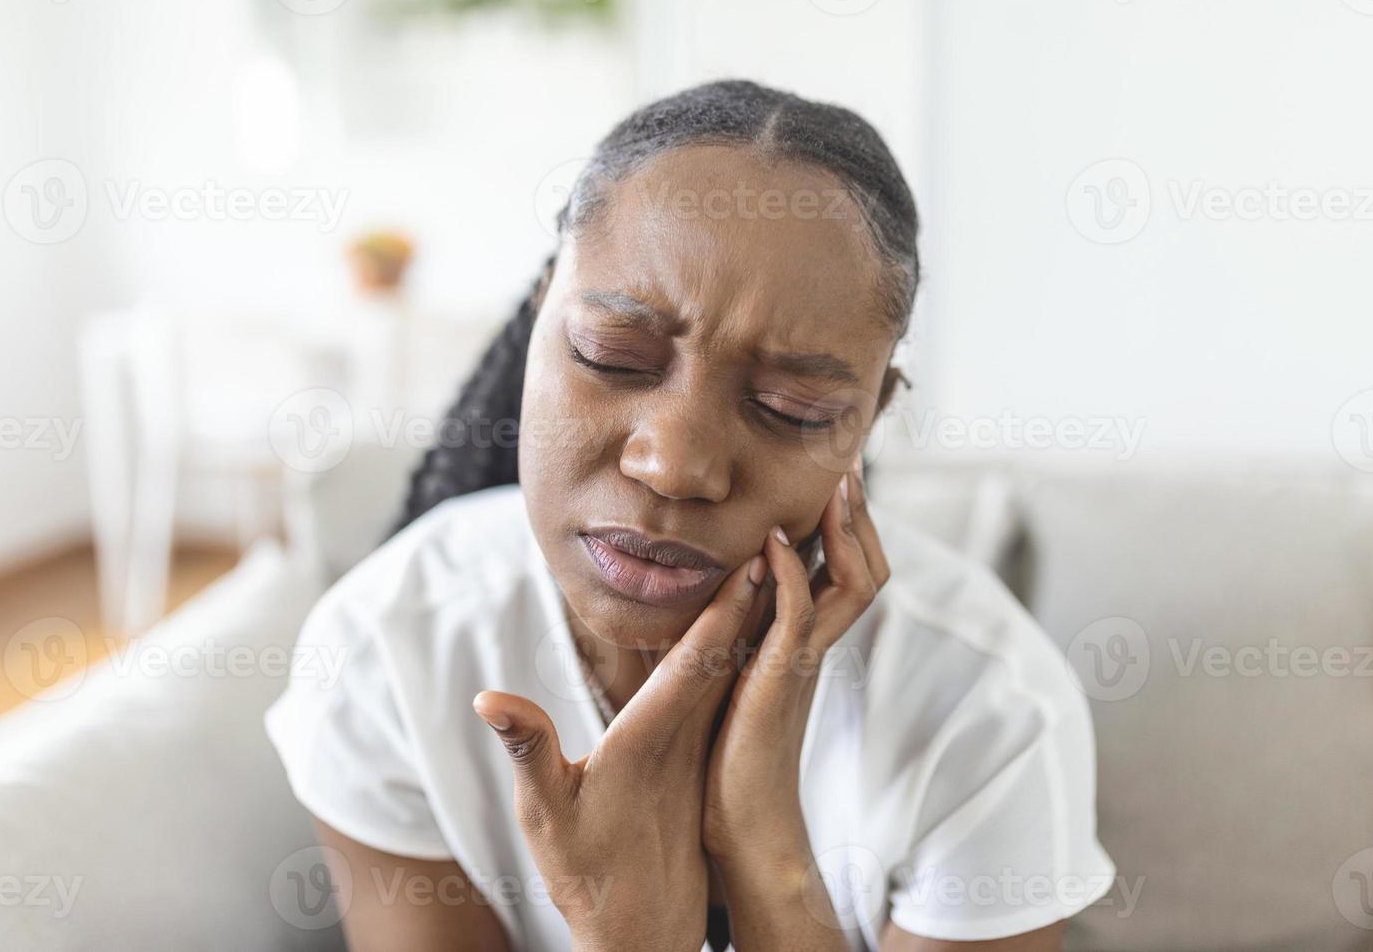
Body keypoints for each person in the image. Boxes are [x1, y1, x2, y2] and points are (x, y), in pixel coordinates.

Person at [265, 78, 1114, 951]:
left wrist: (763, 844)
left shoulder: (986, 708)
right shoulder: (389, 650)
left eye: (791, 407)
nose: (674, 465)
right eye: (613, 356)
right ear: (537, 324)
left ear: (867, 422)